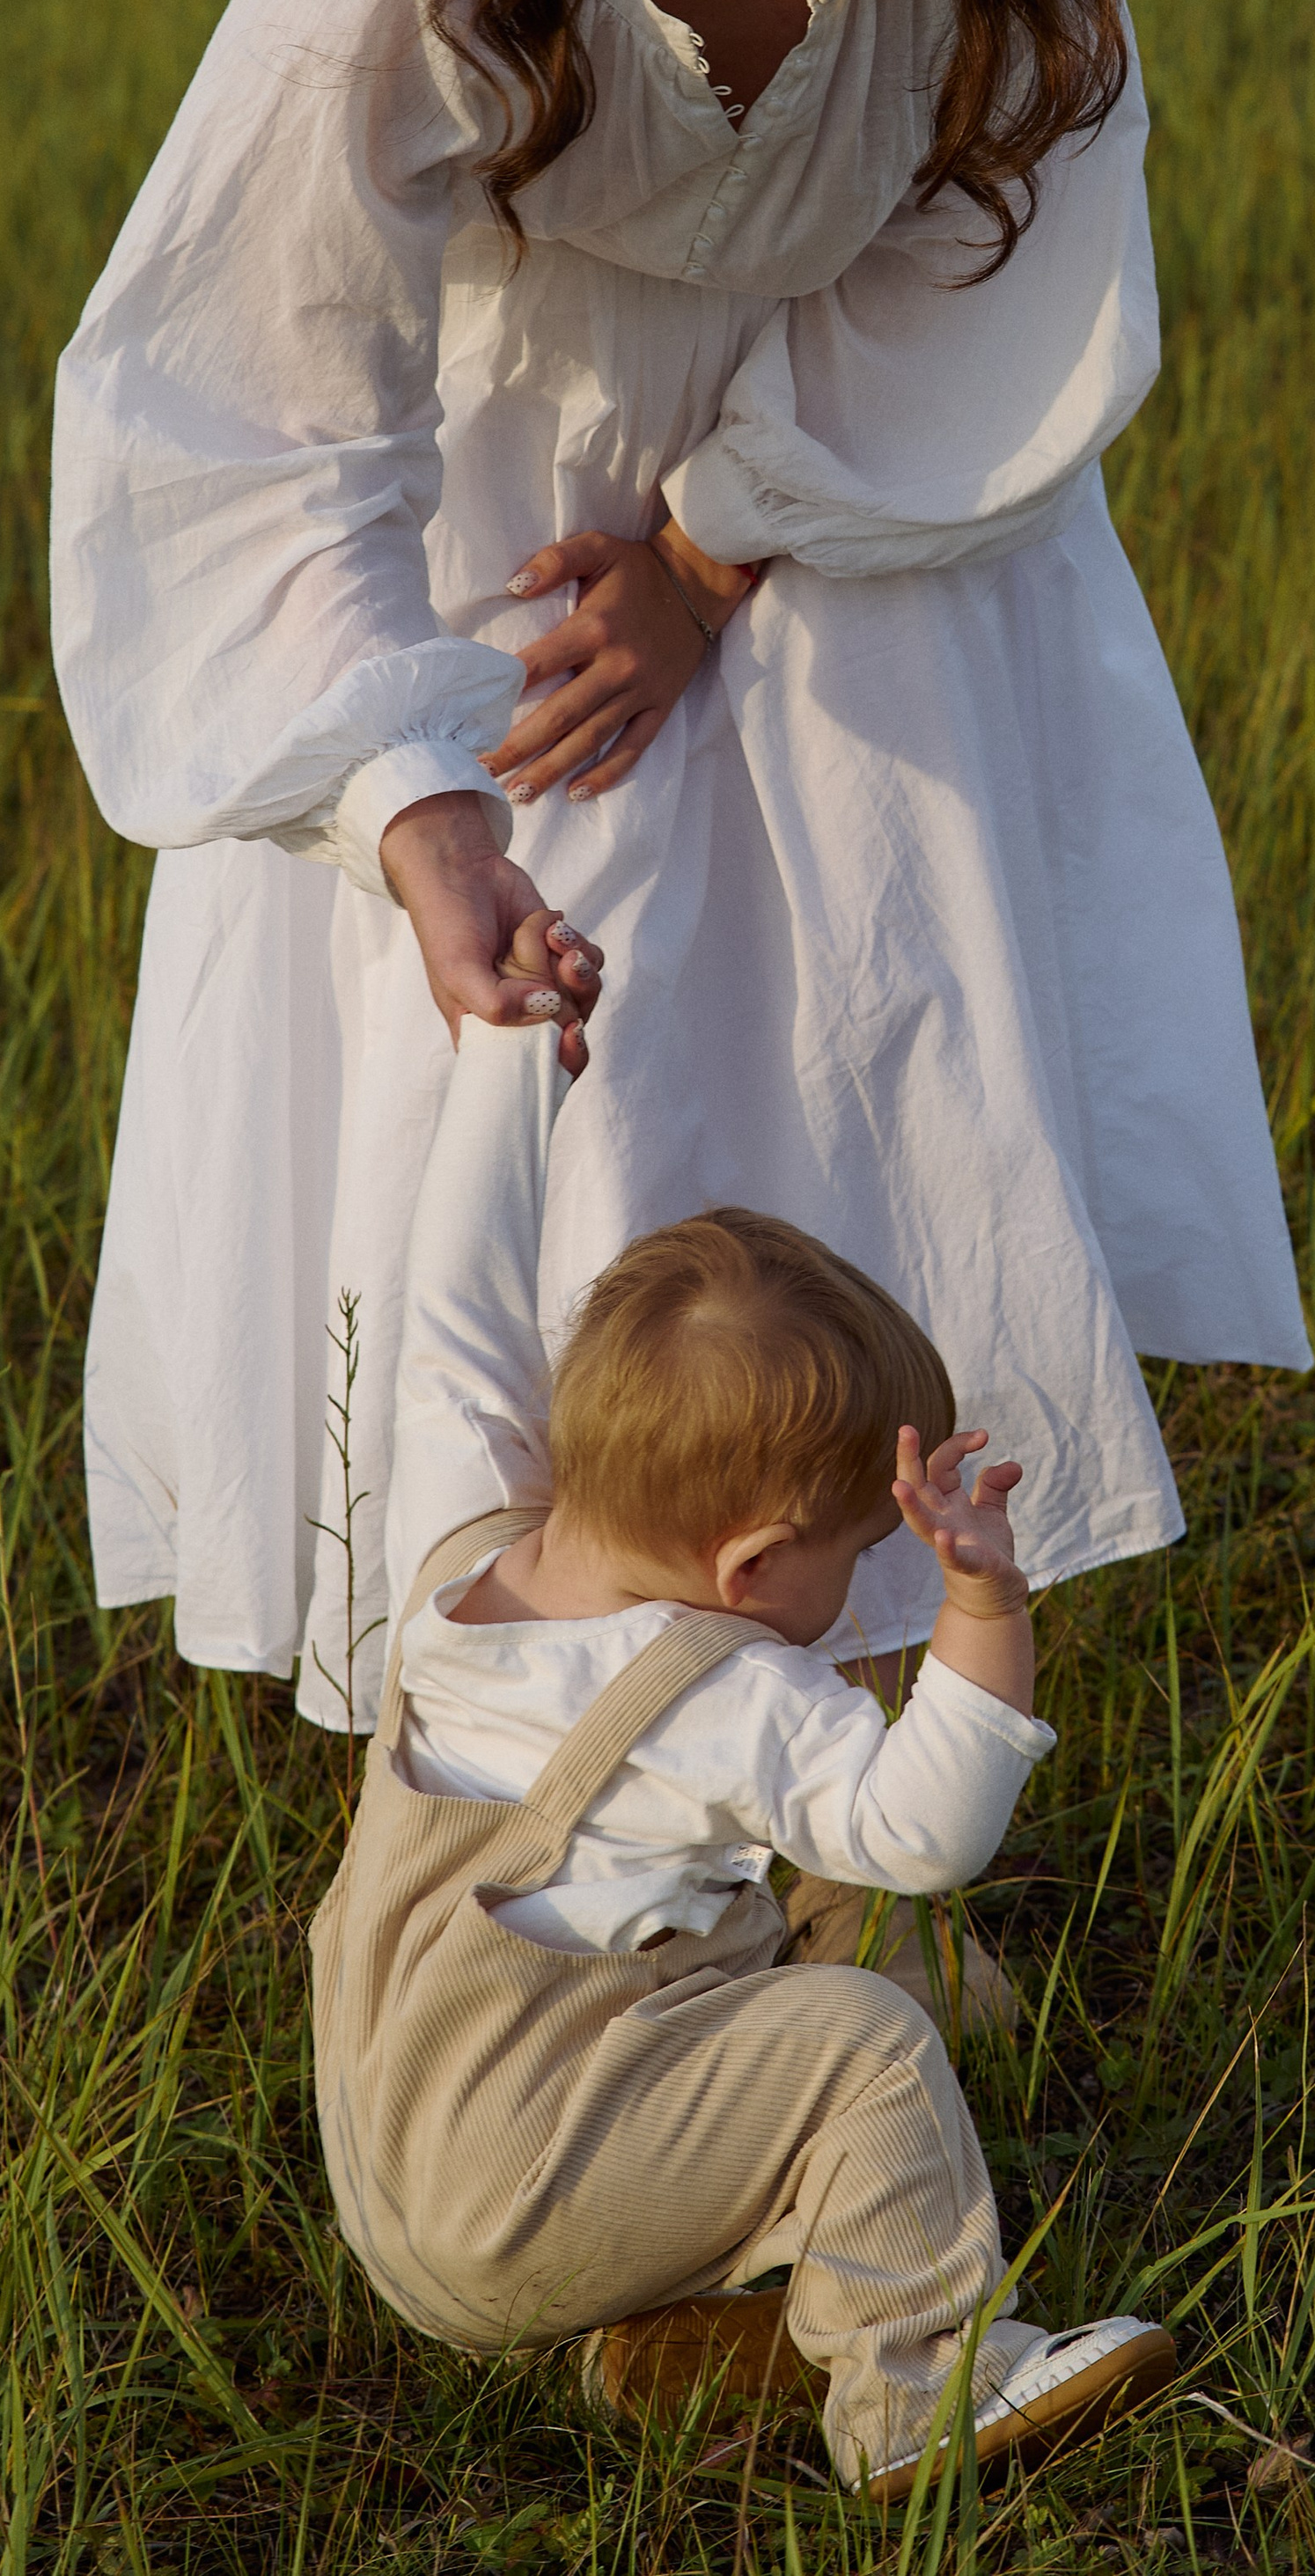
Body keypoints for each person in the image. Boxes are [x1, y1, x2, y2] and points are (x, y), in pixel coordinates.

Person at [51, 0, 1309, 1737]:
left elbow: (1017, 228)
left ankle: (860, 1797)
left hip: (862, 515)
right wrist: (409, 800)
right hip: (488, 572)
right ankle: (520, 1805)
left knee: (875, 1113)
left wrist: (726, 547)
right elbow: (251, 390)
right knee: (531, 1175)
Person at [315, 973, 1176, 2498]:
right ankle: (920, 2390)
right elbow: (924, 1831)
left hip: (402, 2171)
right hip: (520, 2187)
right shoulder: (721, 1696)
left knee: (738, 2019)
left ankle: (680, 2337)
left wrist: (513, 1060)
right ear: (754, 1567)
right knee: (859, 2046)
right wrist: (984, 1602)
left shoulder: (453, 1552)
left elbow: (450, 1298)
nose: (862, 1592)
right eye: (857, 1555)